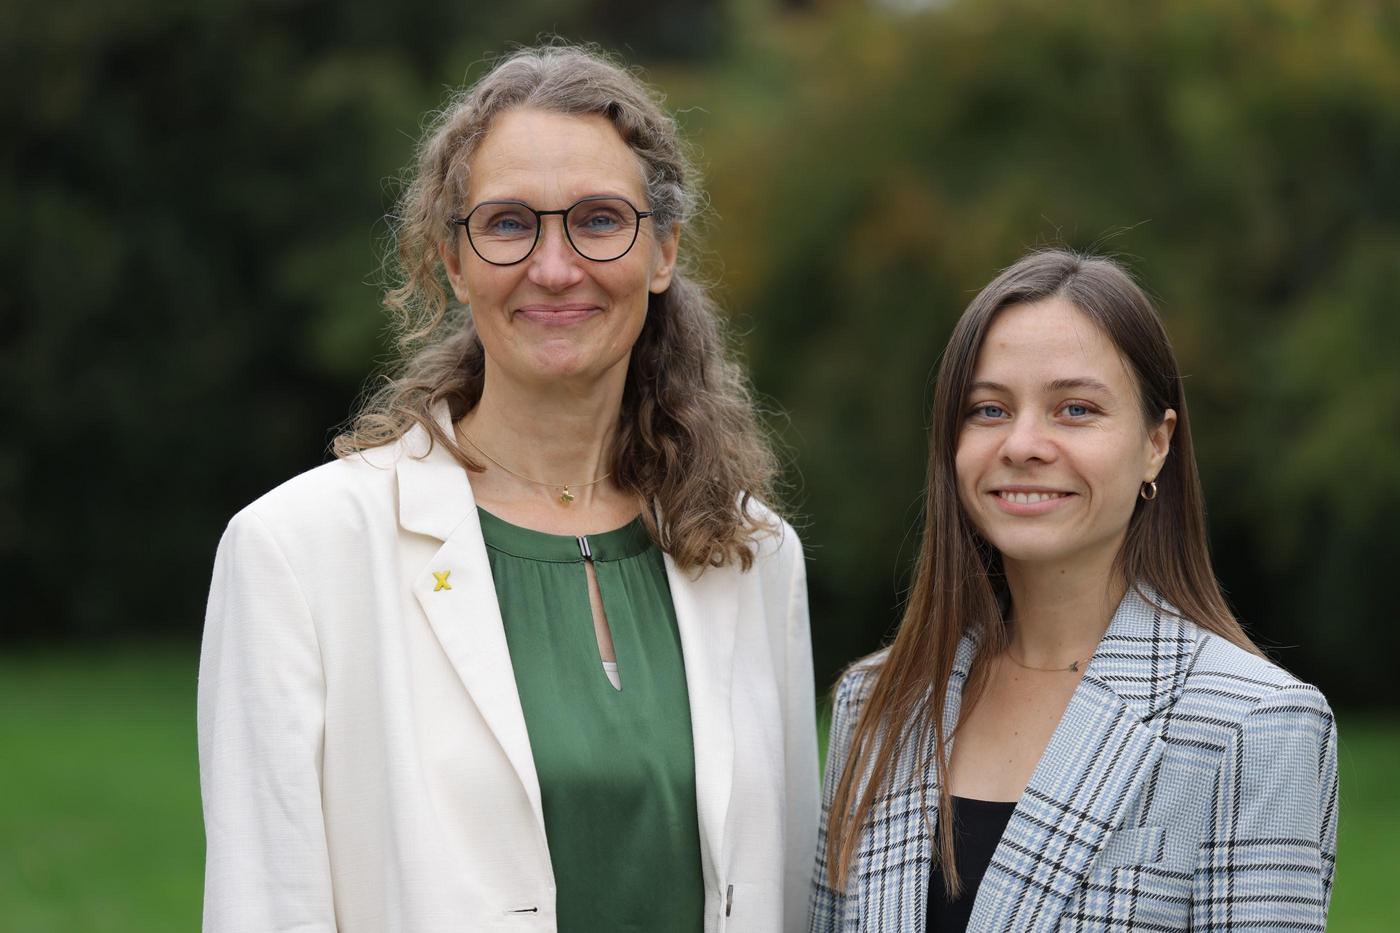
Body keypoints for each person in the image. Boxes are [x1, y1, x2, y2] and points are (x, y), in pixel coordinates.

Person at [198, 44, 817, 933]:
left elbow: (784, 894)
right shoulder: (296, 552)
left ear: (663, 250)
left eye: (600, 220)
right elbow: (266, 906)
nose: (555, 267)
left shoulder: (755, 556)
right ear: (454, 259)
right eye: (508, 223)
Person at [810, 250, 1338, 931]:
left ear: (1156, 443)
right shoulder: (877, 707)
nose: (1024, 443)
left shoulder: (1252, 725)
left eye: (1076, 408)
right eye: (989, 408)